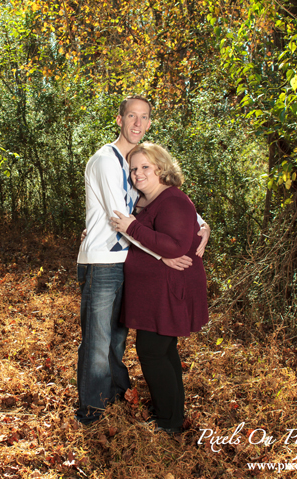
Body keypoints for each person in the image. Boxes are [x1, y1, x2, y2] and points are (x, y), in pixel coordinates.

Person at [76, 96, 210, 425]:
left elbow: (158, 201)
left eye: (144, 117)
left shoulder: (136, 160)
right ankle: (92, 412)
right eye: (131, 116)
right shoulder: (107, 160)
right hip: (104, 261)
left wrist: (200, 224)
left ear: (149, 122)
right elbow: (122, 217)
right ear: (119, 119)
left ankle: (118, 395)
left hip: (128, 263)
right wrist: (166, 255)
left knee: (117, 340)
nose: (137, 122)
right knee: (98, 342)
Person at [110, 142, 210, 433]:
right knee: (164, 352)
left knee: (152, 351)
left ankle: (168, 422)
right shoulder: (152, 201)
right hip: (158, 291)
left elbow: (174, 246)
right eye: (134, 169)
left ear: (161, 169)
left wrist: (131, 227)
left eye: (145, 167)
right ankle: (172, 413)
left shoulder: (172, 200)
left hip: (169, 291)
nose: (138, 174)